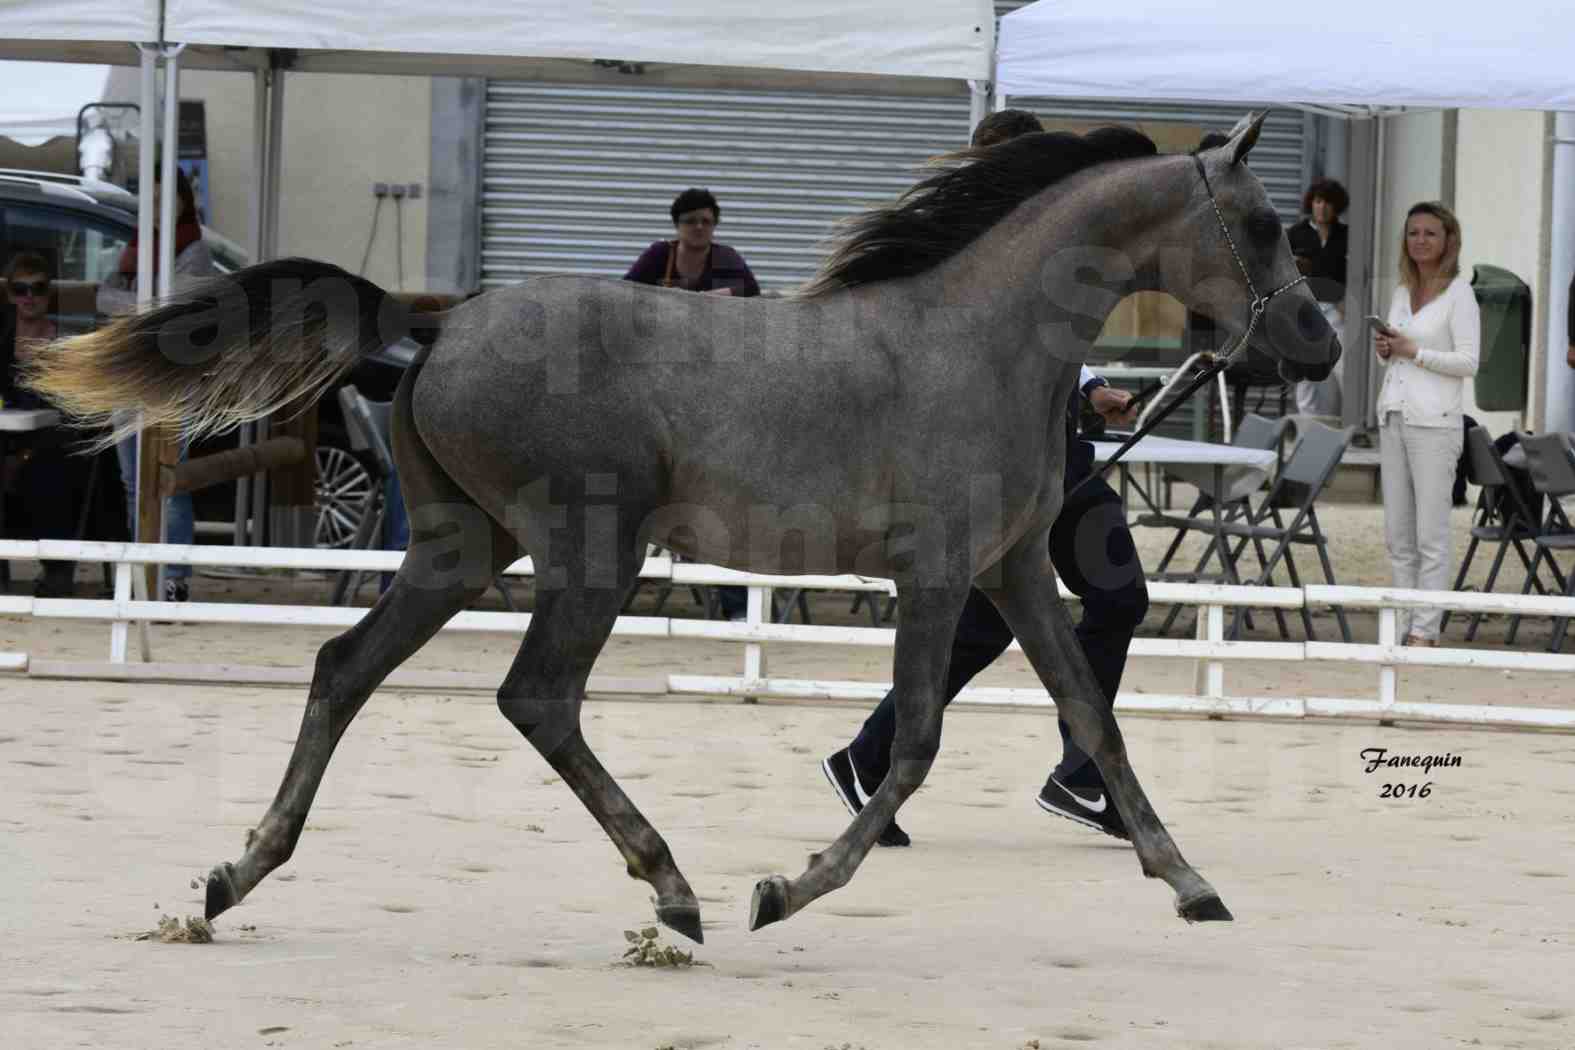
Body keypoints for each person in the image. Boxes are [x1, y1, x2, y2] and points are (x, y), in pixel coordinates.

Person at [821, 110, 1148, 847]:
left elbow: (1046, 344)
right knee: (1026, 613)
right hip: (1001, 464)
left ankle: (874, 762)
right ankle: (1079, 775)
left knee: (1084, 602)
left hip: (1055, 454)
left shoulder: (1038, 250)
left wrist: (1090, 386)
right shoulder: (969, 255)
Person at [625, 188, 760, 619]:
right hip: (659, 390)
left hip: (717, 390)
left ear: (715, 224)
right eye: (690, 222)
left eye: (705, 221)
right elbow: (625, 302)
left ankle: (735, 606)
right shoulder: (656, 258)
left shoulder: (728, 261)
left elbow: (755, 312)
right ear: (676, 226)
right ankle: (618, 598)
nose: (698, 228)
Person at [96, 164, 215, 602]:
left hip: (172, 378)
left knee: (170, 479)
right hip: (130, 373)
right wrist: (144, 306)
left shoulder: (194, 250)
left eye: (168, 199)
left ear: (184, 201)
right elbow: (102, 296)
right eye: (151, 199)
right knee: (133, 482)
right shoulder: (136, 246)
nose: (159, 208)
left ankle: (174, 576)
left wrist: (136, 306)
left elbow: (175, 308)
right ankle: (144, 572)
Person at [1373, 201, 1479, 647]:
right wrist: (1388, 349)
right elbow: (1399, 352)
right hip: (1394, 414)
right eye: (1413, 232)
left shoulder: (1460, 295)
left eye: (1429, 233)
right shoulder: (1401, 290)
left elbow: (1469, 362)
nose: (1420, 240)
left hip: (1435, 425)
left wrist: (1413, 350)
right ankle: (1400, 623)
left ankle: (1425, 628)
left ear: (1448, 240)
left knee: (1430, 534)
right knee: (1398, 535)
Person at [1, 251, 97, 595]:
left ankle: (57, 570)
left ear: (48, 294)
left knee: (49, 469)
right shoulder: (4, 338)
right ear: (10, 294)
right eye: (20, 289)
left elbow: (74, 408)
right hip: (8, 434)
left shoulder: (64, 342)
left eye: (37, 289)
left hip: (53, 439)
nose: (29, 297)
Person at [1287, 178, 1350, 417]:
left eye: (1328, 203)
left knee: (1344, 367)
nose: (1322, 207)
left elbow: (1355, 274)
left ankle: (1351, 421)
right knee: (1305, 372)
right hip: (1305, 310)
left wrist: (1347, 300)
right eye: (1318, 201)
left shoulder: (1346, 235)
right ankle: (1307, 424)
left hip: (1337, 309)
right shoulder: (1295, 234)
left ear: (1337, 207)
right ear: (1311, 203)